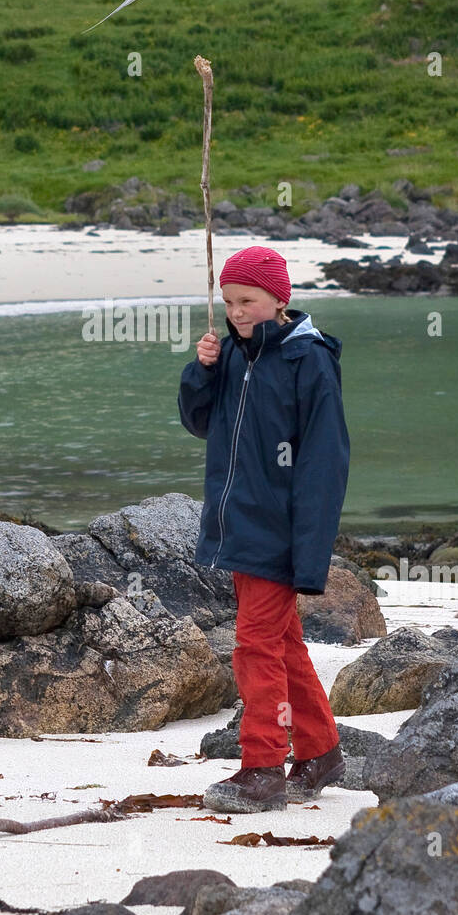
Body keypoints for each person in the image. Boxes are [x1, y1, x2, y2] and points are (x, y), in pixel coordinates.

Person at [177, 245, 350, 814]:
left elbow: (325, 463)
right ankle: (321, 752)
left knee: (255, 645)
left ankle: (262, 768)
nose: (236, 312)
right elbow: (199, 423)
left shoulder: (310, 361)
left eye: (247, 300)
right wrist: (199, 372)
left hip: (281, 530)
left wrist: (311, 554)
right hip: (238, 524)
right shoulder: (229, 355)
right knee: (281, 642)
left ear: (280, 299)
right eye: (228, 302)